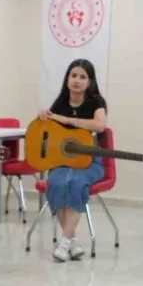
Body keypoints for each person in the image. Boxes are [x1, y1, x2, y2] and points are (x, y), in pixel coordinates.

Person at [38, 59, 108, 262]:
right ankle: (72, 239)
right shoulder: (60, 102)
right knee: (56, 183)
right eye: (73, 75)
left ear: (90, 81)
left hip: (89, 160)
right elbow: (46, 132)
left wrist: (69, 120)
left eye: (83, 77)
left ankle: (64, 241)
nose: (77, 80)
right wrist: (42, 117)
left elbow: (100, 126)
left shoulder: (97, 102)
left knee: (76, 183)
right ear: (67, 78)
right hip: (62, 160)